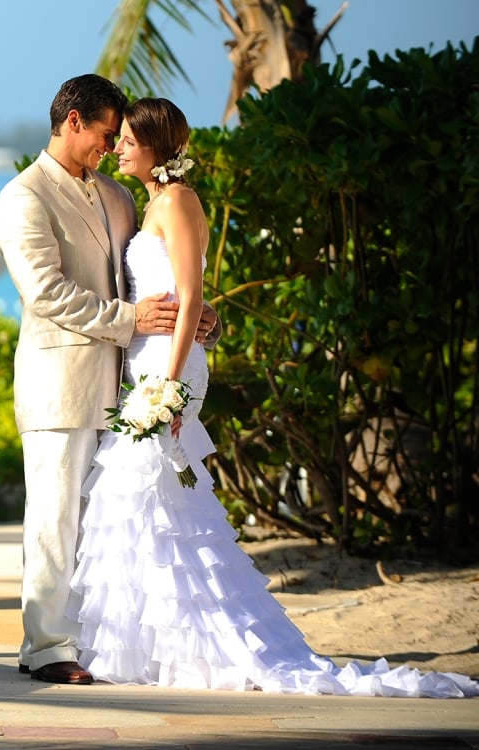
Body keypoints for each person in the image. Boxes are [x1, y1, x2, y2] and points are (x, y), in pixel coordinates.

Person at [67, 97, 479, 698]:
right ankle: (156, 646)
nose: (119, 146)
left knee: (153, 496)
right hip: (144, 363)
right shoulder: (150, 201)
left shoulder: (178, 202)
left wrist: (171, 382)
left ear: (156, 145)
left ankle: (201, 641)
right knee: (148, 503)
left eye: (128, 138)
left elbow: (191, 292)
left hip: (165, 369)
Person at [0, 75, 221, 685]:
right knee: (55, 516)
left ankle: (90, 641)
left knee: (100, 525)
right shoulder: (23, 197)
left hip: (125, 386)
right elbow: (45, 293)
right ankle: (45, 647)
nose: (110, 144)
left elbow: (155, 283)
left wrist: (197, 320)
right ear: (72, 121)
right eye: (103, 133)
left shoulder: (119, 196)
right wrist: (132, 319)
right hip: (59, 386)